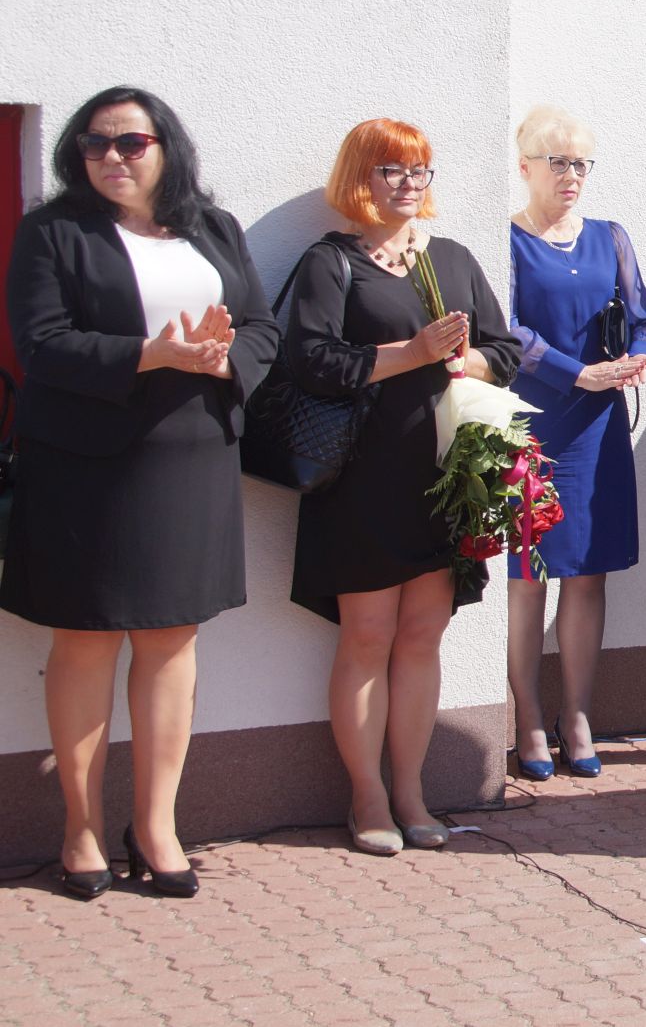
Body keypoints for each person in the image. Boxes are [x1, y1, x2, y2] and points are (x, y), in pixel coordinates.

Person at [3, 86, 277, 899]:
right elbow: (41, 344)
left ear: (166, 148)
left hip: (190, 460)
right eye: (94, 144)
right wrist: (153, 354)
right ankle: (81, 830)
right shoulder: (54, 231)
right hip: (85, 465)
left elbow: (261, 328)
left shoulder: (213, 228)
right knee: (85, 641)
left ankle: (156, 826)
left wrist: (222, 360)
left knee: (170, 641)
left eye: (130, 142)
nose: (111, 157)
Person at [287, 118, 519, 855]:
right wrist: (410, 353)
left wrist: (463, 362)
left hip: (442, 477)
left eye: (419, 170)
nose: (408, 184)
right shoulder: (333, 262)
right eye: (391, 170)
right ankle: (367, 797)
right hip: (362, 478)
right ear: (359, 177)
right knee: (367, 637)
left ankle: (413, 793)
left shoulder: (452, 258)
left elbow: (505, 350)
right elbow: (310, 361)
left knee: (422, 637)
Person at [506, 106, 646, 781]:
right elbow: (507, 331)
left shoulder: (611, 237)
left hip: (599, 424)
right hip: (532, 423)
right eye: (558, 162)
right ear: (525, 168)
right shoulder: (508, 240)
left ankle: (576, 715)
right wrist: (579, 373)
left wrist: (639, 356)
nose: (571, 175)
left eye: (580, 164)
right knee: (529, 574)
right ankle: (526, 716)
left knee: (587, 573)